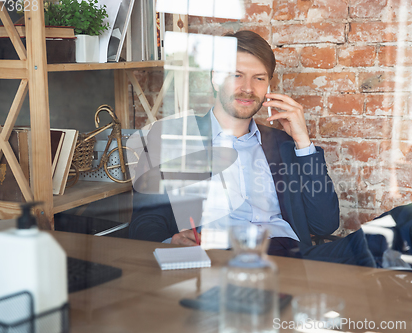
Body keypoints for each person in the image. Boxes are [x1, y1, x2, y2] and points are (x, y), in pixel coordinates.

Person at [129, 30, 375, 267]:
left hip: (289, 259)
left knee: (403, 224)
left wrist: (303, 142)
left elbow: (324, 224)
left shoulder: (284, 145)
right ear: (215, 78)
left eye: (259, 78)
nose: (248, 88)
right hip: (219, 258)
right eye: (236, 75)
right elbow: (145, 221)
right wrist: (170, 243)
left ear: (268, 85)